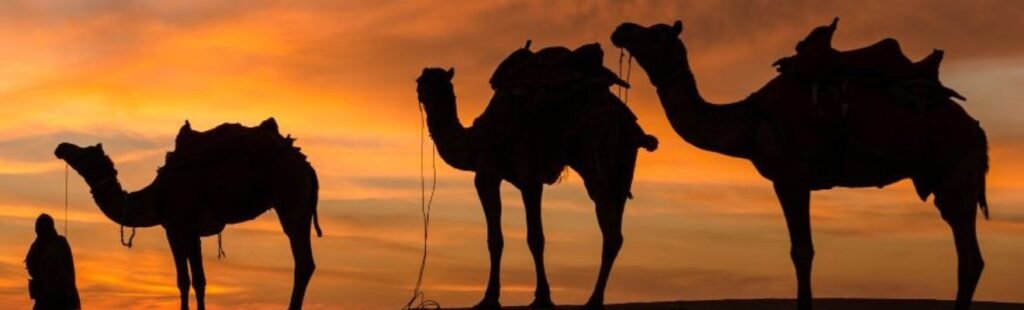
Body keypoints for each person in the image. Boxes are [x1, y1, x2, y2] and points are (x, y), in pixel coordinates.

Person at [25, 214, 80, 310]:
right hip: (44, 299)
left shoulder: (59, 244)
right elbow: (31, 266)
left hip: (61, 299)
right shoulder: (36, 247)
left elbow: (66, 272)